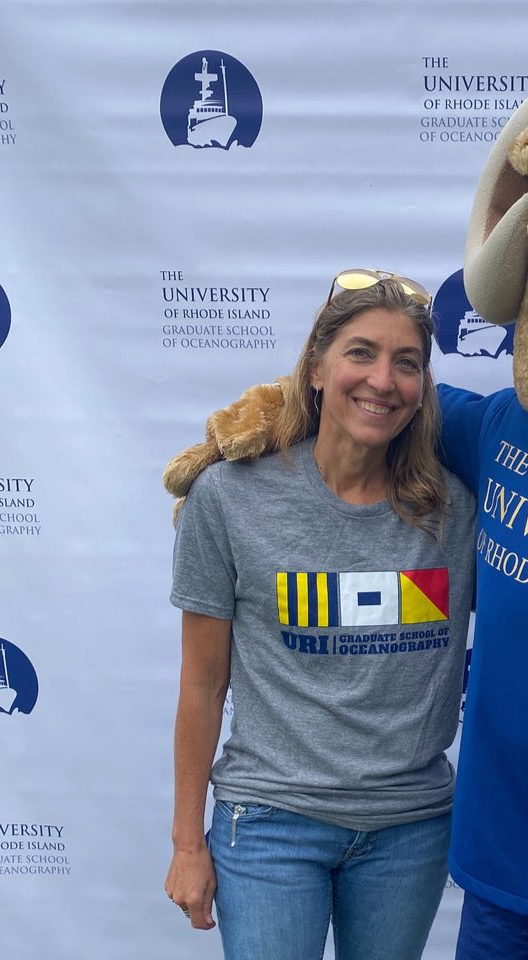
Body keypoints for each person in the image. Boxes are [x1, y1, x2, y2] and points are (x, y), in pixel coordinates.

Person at [164, 272, 476, 960]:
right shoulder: (229, 497)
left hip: (410, 829)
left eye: (406, 362)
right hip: (270, 823)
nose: (382, 380)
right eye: (361, 353)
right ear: (315, 368)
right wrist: (187, 842)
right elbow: (202, 686)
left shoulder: (456, 512)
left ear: (423, 386)